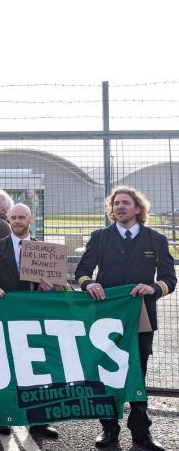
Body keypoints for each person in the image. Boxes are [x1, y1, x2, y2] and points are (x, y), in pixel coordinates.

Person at [75, 186, 175, 451]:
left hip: (141, 317)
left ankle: (142, 434)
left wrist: (153, 288)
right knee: (108, 372)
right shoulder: (100, 237)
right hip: (106, 318)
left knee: (137, 374)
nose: (120, 207)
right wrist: (89, 285)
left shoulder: (156, 239)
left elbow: (169, 279)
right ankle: (109, 429)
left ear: (138, 208)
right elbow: (82, 272)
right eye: (116, 203)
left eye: (126, 203)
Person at [0, 203, 62, 439]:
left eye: (21, 217)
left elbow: (58, 286)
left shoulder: (44, 249)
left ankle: (39, 421)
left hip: (35, 318)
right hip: (5, 315)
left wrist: (49, 288)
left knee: (38, 367)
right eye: (13, 217)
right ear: (8, 219)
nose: (17, 221)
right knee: (4, 366)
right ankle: (2, 418)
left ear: (31, 219)